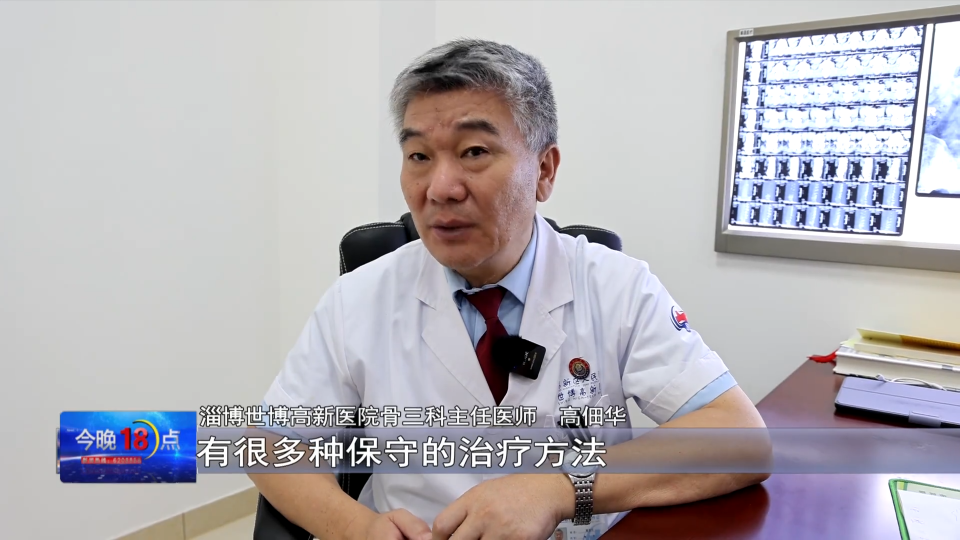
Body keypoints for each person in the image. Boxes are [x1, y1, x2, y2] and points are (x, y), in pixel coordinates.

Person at [250, 39, 771, 540]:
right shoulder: (359, 298)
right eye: (419, 156)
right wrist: (355, 528)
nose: (440, 188)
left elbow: (742, 439)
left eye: (474, 151)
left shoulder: (617, 286)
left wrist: (561, 488)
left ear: (544, 170)